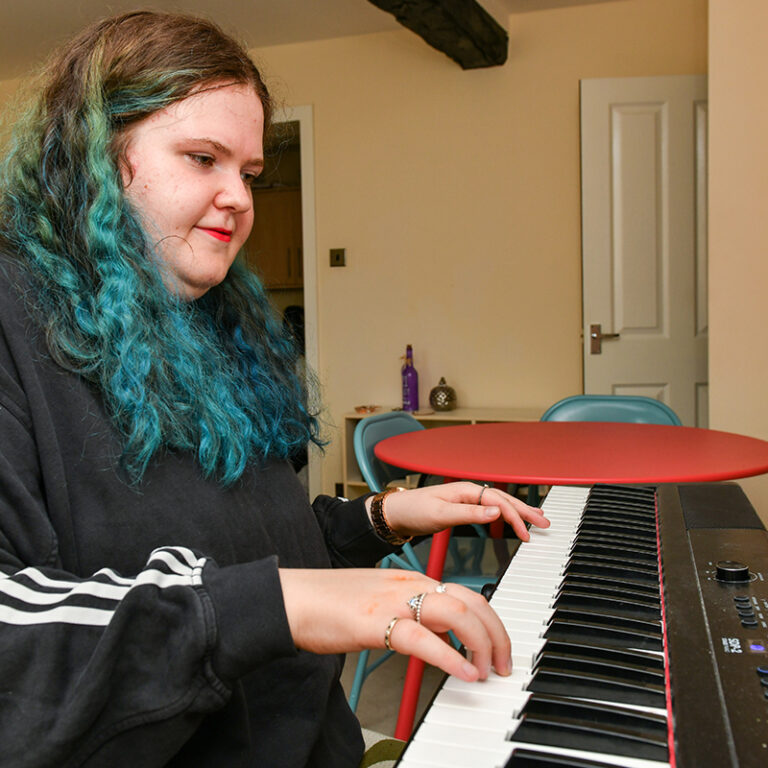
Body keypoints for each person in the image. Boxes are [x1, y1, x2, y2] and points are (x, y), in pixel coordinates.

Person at [0, 11, 549, 768]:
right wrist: (283, 606)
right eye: (203, 158)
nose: (238, 198)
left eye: (250, 174)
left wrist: (378, 520)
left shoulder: (212, 324)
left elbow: (244, 550)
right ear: (92, 155)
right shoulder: (11, 318)